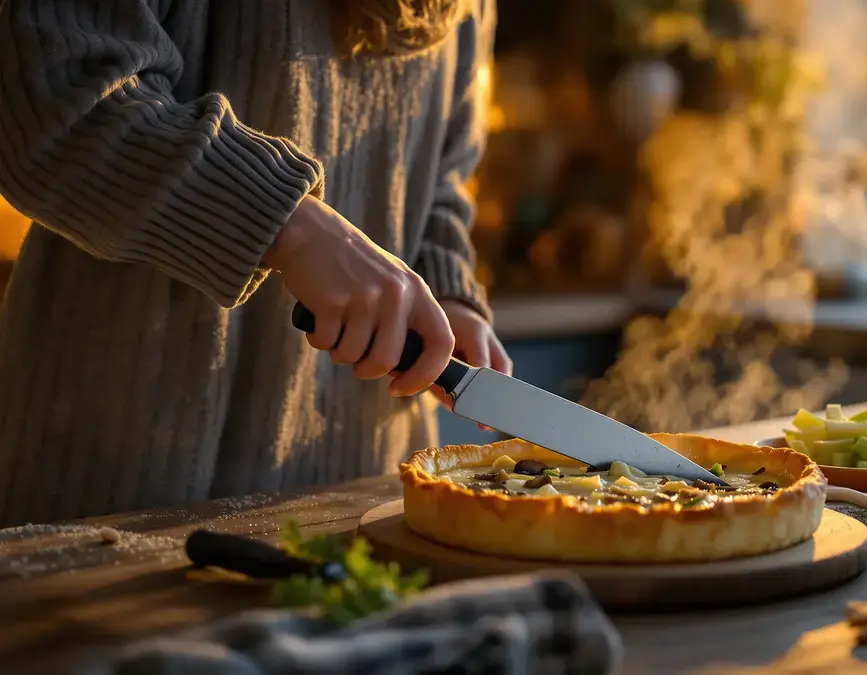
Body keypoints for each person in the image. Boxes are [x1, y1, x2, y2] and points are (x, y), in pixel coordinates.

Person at [0, 0, 510, 527]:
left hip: (362, 497)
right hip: (120, 489)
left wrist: (447, 292)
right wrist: (288, 225)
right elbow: (51, 97)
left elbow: (444, 179)